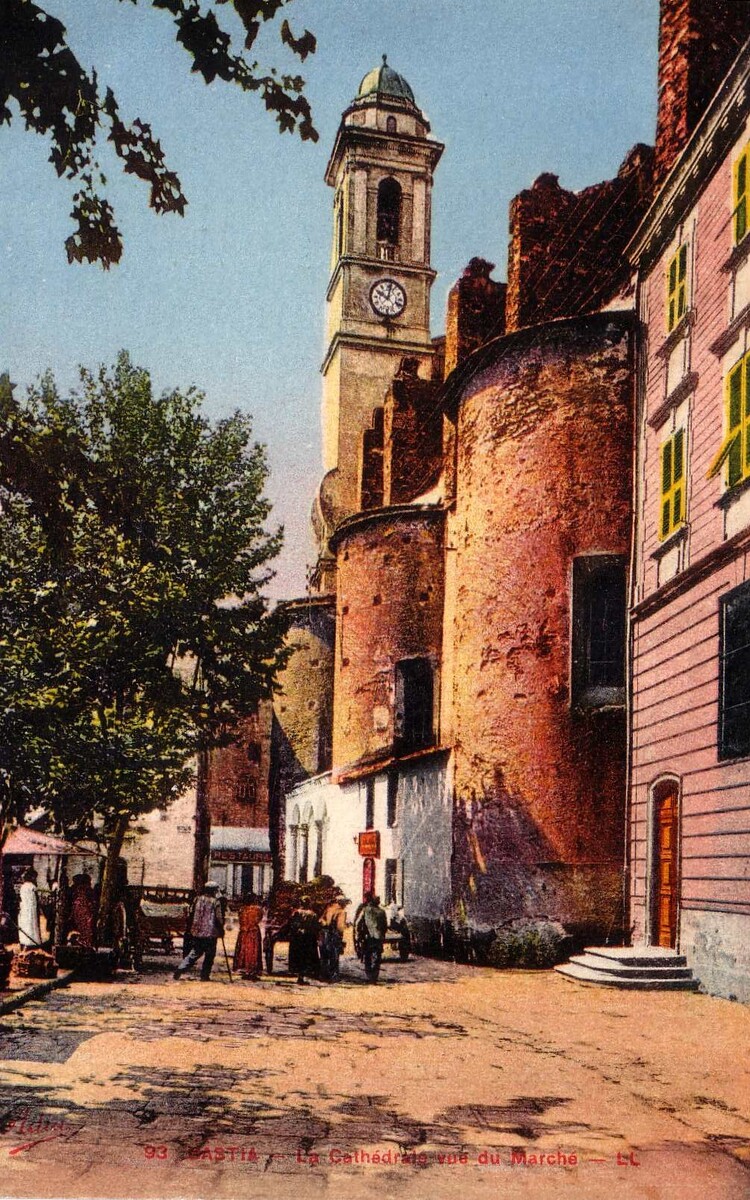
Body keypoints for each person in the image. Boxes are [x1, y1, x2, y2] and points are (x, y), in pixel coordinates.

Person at [173, 881, 224, 981]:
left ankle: (181, 968)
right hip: (210, 933)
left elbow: (191, 913)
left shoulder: (197, 899)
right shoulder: (215, 902)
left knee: (195, 952)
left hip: (197, 931)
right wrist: (221, 928)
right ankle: (205, 976)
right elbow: (219, 918)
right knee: (209, 955)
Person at [287, 895, 320, 984]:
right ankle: (302, 976)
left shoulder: (296, 913)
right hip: (308, 939)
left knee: (298, 956)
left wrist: (297, 930)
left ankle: (300, 977)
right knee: (306, 957)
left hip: (298, 939)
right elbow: (316, 928)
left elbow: (291, 925)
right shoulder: (313, 914)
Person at [319, 896, 350, 982]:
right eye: (344, 903)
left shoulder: (329, 909)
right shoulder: (341, 912)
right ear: (341, 902)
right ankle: (333, 976)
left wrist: (325, 924)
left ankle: (323, 976)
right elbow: (340, 927)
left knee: (324, 956)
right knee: (334, 956)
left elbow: (321, 919)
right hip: (334, 936)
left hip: (324, 935)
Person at [358, 893, 387, 983]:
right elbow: (384, 925)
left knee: (367, 955)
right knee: (377, 956)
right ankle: (374, 975)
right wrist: (382, 934)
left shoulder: (365, 910)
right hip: (378, 936)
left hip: (368, 937)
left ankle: (369, 974)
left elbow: (359, 922)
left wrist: (359, 934)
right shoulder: (382, 912)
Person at [234, 894, 264, 980]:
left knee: (244, 950)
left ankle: (245, 969)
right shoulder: (258, 909)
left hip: (244, 933)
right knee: (253, 951)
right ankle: (252, 970)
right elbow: (259, 918)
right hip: (253, 932)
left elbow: (240, 919)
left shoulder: (241, 909)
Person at [69, 872, 96, 948]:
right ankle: (86, 942)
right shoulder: (85, 890)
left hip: (82, 910)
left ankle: (85, 941)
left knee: (85, 927)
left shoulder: (80, 890)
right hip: (83, 910)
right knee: (85, 927)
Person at [18, 868, 41, 948]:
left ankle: (25, 941)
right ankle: (32, 942)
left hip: (24, 908)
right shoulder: (32, 886)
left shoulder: (23, 886)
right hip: (30, 908)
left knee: (25, 924)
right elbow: (36, 899)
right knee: (31, 923)